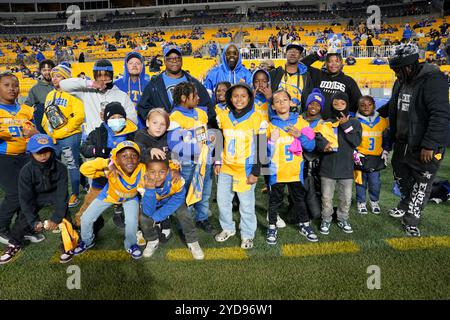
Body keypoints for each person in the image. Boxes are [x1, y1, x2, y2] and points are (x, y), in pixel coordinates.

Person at [381, 43, 449, 236]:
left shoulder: (433, 80)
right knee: (401, 176)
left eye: (397, 70)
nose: (395, 74)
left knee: (421, 185)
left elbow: (440, 115)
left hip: (425, 147)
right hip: (402, 142)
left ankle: (411, 219)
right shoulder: (402, 81)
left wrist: (430, 144)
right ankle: (404, 204)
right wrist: (368, 113)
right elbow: (392, 105)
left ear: (409, 66)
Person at [0, 134, 73, 264]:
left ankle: (67, 244)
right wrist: (34, 221)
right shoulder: (26, 171)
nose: (43, 155)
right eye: (38, 152)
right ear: (31, 153)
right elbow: (25, 199)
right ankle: (14, 244)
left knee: (66, 215)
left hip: (54, 194)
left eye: (46, 151)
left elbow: (62, 196)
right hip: (36, 195)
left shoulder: (61, 167)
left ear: (52, 151)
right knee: (23, 217)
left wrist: (56, 219)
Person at [214, 83, 267, 249]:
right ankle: (228, 228)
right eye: (235, 96)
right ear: (230, 98)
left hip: (245, 169)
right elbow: (219, 139)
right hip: (226, 167)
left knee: (246, 205)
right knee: (223, 202)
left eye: (243, 96)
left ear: (249, 97)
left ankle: (247, 234)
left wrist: (256, 172)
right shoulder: (223, 116)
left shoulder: (257, 117)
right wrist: (217, 160)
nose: (239, 99)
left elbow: (261, 146)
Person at [74, 141, 145, 259]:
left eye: (133, 155)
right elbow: (84, 169)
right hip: (109, 195)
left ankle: (131, 244)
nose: (129, 159)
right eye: (124, 156)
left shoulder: (142, 169)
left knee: (132, 222)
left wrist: (173, 169)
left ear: (138, 159)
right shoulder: (110, 168)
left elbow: (160, 170)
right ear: (116, 159)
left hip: (130, 198)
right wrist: (107, 162)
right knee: (86, 218)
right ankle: (87, 241)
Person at [266, 89, 317, 245]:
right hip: (277, 172)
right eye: (277, 101)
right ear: (273, 106)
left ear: (291, 102)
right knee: (274, 202)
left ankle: (305, 225)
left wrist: (300, 136)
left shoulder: (302, 123)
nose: (281, 103)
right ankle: (272, 226)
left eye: (284, 100)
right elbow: (263, 154)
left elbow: (311, 146)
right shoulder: (268, 126)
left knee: (299, 200)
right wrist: (270, 142)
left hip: (295, 172)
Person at [77, 102, 137, 229]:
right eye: (112, 118)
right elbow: (84, 148)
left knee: (132, 201)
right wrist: (100, 150)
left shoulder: (132, 132)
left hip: (125, 178)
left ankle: (120, 212)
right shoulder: (99, 132)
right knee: (89, 202)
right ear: (106, 119)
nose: (117, 121)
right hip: (103, 175)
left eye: (120, 117)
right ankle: (80, 224)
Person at [167, 82, 215, 235]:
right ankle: (185, 224)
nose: (198, 98)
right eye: (195, 96)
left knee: (205, 192)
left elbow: (201, 134)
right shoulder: (174, 117)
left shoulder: (200, 113)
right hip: (187, 163)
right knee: (186, 194)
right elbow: (174, 144)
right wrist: (195, 149)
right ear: (183, 98)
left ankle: (202, 218)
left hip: (204, 161)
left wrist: (208, 140)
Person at [0, 72, 39, 245]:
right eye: (7, 85)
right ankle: (1, 227)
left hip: (26, 156)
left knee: (29, 193)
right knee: (14, 195)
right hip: (4, 157)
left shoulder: (26, 110)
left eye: (15, 85)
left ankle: (23, 228)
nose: (12, 89)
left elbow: (36, 135)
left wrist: (34, 133)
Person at [137, 45, 216, 128]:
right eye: (170, 59)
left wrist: (192, 116)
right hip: (163, 133)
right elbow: (143, 108)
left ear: (181, 60)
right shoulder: (154, 84)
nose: (174, 61)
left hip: (191, 130)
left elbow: (208, 108)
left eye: (177, 58)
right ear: (164, 61)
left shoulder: (194, 83)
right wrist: (160, 116)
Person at [318, 92, 362, 235]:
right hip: (327, 167)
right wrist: (323, 144)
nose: (338, 107)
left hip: (346, 168)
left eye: (342, 104)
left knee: (346, 198)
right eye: (335, 104)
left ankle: (343, 218)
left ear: (347, 105)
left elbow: (356, 142)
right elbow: (317, 139)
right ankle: (326, 218)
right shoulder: (325, 122)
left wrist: (346, 125)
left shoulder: (354, 122)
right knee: (326, 198)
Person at [59, 59, 137, 138]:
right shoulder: (86, 93)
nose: (103, 79)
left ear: (111, 75)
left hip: (116, 138)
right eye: (99, 75)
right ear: (94, 77)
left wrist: (114, 119)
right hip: (93, 139)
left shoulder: (122, 96)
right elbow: (63, 84)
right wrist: (91, 83)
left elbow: (133, 120)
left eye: (106, 75)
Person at [41, 64, 84, 208]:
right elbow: (45, 117)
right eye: (53, 76)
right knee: (54, 164)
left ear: (66, 77)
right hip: (54, 137)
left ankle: (75, 195)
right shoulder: (49, 95)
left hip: (70, 135)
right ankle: (54, 192)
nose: (54, 78)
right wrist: (48, 130)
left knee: (72, 164)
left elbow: (79, 116)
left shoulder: (73, 94)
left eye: (58, 75)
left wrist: (64, 130)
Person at [134, 108, 174, 242]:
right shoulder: (140, 135)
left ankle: (165, 222)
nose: (158, 127)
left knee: (165, 198)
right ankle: (141, 227)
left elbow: (175, 152)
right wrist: (150, 150)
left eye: (163, 124)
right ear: (147, 123)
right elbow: (138, 153)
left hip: (163, 178)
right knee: (145, 203)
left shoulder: (169, 136)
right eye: (155, 123)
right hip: (146, 179)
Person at [139, 157, 186, 258]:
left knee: (183, 212)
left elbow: (178, 199)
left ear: (168, 171)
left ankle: (165, 221)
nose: (157, 176)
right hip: (152, 202)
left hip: (168, 202)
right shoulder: (142, 181)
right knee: (144, 217)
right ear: (146, 172)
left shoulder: (176, 179)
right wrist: (150, 189)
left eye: (161, 172)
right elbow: (148, 211)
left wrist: (159, 216)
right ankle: (152, 239)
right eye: (152, 172)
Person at [354, 95, 389, 215]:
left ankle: (374, 201)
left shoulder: (383, 121)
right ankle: (361, 202)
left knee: (375, 183)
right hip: (361, 157)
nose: (366, 107)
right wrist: (354, 152)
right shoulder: (355, 121)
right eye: (362, 105)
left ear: (374, 105)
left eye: (369, 104)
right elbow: (351, 139)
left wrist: (386, 150)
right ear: (358, 107)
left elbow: (386, 138)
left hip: (376, 158)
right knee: (360, 182)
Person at [302, 50, 362, 120]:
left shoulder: (349, 81)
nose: (333, 64)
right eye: (330, 61)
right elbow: (301, 64)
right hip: (317, 121)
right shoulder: (318, 75)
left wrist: (348, 117)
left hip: (338, 123)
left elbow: (357, 101)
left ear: (341, 63)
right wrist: (317, 55)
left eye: (337, 61)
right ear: (326, 63)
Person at [269, 42, 314, 113]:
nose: (293, 54)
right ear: (285, 53)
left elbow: (309, 98)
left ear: (300, 56)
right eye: (290, 51)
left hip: (298, 119)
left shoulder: (306, 76)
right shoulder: (275, 73)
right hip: (277, 117)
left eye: (296, 52)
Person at [114, 52, 150, 129]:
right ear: (126, 66)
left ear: (142, 66)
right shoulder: (116, 85)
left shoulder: (149, 85)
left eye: (138, 63)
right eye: (130, 63)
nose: (134, 65)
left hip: (144, 127)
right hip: (122, 128)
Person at [24, 59, 56, 134]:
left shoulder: (59, 86)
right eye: (44, 70)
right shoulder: (35, 88)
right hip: (43, 125)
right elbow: (27, 106)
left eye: (49, 70)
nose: (47, 72)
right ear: (40, 72)